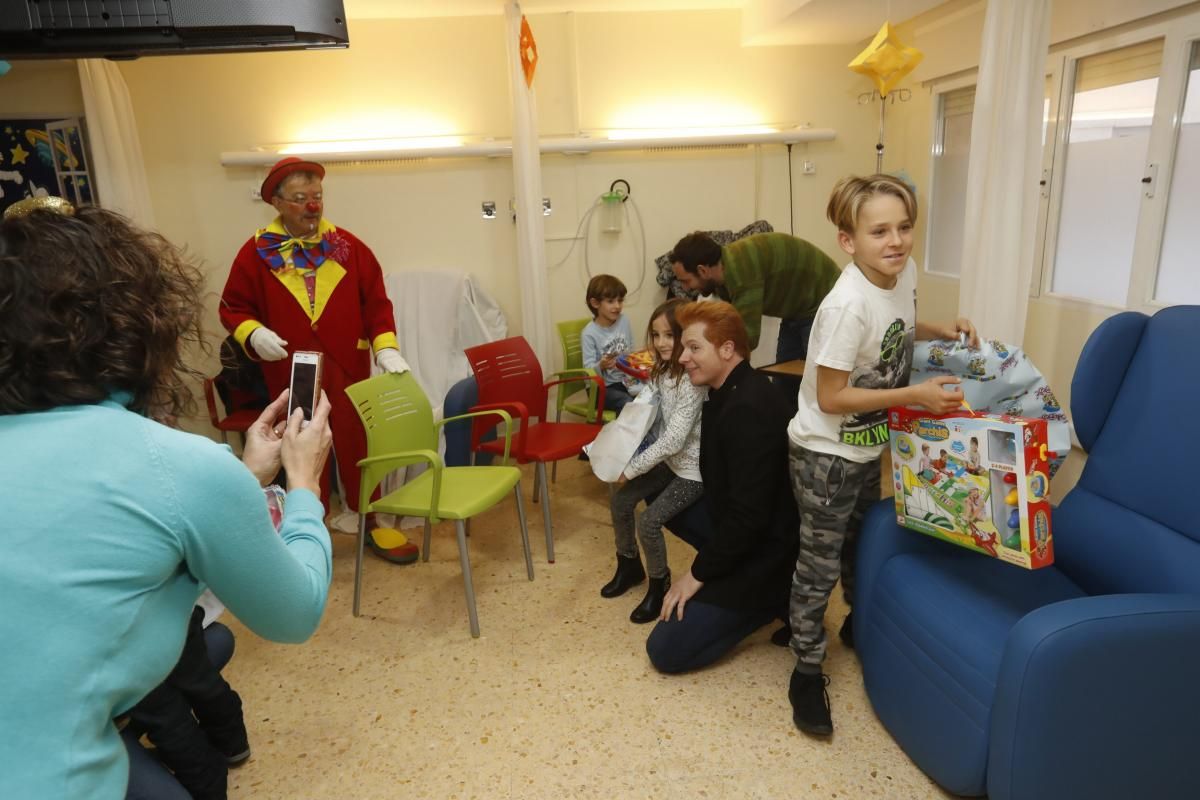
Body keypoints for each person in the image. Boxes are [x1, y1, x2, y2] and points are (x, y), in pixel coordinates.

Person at [0, 198, 335, 800]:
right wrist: (303, 481)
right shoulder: (176, 465)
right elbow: (295, 612)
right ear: (136, 324)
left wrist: (245, 473)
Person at [784, 174, 978, 736]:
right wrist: (912, 396)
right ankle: (805, 668)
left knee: (860, 541)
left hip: (867, 446)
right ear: (848, 241)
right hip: (825, 454)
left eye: (904, 227)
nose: (896, 241)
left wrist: (941, 329)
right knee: (817, 564)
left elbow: (895, 328)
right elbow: (830, 396)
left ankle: (854, 629)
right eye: (879, 232)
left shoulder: (901, 272)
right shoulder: (845, 307)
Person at [219, 156, 418, 564]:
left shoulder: (348, 247)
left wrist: (386, 346)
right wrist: (253, 332)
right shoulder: (256, 253)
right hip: (292, 368)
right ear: (275, 202)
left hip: (347, 361)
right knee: (300, 446)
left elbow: (377, 303)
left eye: (317, 196)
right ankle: (310, 528)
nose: (313, 206)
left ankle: (371, 520)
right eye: (299, 198)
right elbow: (232, 307)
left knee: (358, 441)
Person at [644, 301, 798, 673]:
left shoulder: (749, 407)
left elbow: (750, 518)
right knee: (659, 497)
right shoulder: (727, 390)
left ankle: (771, 600)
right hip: (742, 529)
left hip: (765, 552)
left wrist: (696, 575)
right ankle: (733, 583)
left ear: (727, 349)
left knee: (664, 650)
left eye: (694, 348)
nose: (682, 357)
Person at [602, 299, 706, 623]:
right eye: (656, 335)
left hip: (690, 471)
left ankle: (658, 584)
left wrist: (630, 469)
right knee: (620, 502)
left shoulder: (692, 380)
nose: (661, 343)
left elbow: (673, 441)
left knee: (648, 522)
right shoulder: (662, 371)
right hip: (667, 462)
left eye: (669, 336)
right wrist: (606, 447)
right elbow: (644, 410)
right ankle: (629, 565)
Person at [668, 231, 841, 403]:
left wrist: (707, 363)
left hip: (825, 303)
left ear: (702, 270)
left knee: (820, 384)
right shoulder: (722, 277)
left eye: (686, 281)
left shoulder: (742, 271)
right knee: (783, 381)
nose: (686, 288)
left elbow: (745, 338)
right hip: (797, 310)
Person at [581, 274, 641, 415]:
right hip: (600, 389)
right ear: (595, 303)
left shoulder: (624, 320)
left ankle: (644, 435)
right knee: (626, 402)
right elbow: (587, 371)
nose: (617, 306)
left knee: (650, 394)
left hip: (624, 381)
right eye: (610, 301)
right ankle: (626, 437)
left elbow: (631, 349)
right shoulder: (589, 333)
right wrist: (601, 365)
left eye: (620, 300)